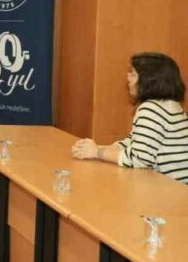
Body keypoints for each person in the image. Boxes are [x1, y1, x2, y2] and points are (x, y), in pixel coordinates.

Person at [72, 53, 188, 182]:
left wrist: (98, 153)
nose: (128, 78)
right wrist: (94, 149)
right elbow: (131, 143)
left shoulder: (151, 109)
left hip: (175, 189)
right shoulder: (170, 105)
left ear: (149, 80)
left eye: (132, 73)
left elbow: (139, 159)